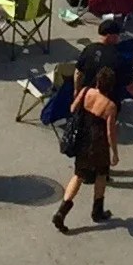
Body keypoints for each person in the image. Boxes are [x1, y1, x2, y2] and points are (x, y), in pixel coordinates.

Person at [53, 66, 119, 232]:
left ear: (97, 81)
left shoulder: (85, 91)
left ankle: (62, 212)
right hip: (99, 144)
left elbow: (73, 109)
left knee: (78, 176)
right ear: (111, 86)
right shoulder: (110, 106)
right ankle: (97, 211)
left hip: (83, 139)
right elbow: (111, 132)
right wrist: (115, 153)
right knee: (102, 174)